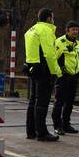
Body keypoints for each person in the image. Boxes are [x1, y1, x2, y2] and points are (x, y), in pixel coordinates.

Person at [24, 8, 62, 142]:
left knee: (33, 100)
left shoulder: (31, 30)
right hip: (44, 69)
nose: (53, 20)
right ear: (48, 18)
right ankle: (42, 132)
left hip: (33, 67)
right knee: (42, 102)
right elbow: (49, 54)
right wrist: (56, 71)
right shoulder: (46, 30)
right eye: (52, 17)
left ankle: (31, 131)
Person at [52, 20, 79, 135]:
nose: (75, 32)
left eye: (77, 29)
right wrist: (60, 72)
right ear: (67, 30)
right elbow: (53, 58)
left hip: (74, 76)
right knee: (59, 101)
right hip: (63, 76)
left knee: (70, 102)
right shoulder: (60, 42)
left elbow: (78, 58)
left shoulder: (78, 43)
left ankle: (66, 124)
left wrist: (78, 69)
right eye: (73, 29)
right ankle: (57, 125)